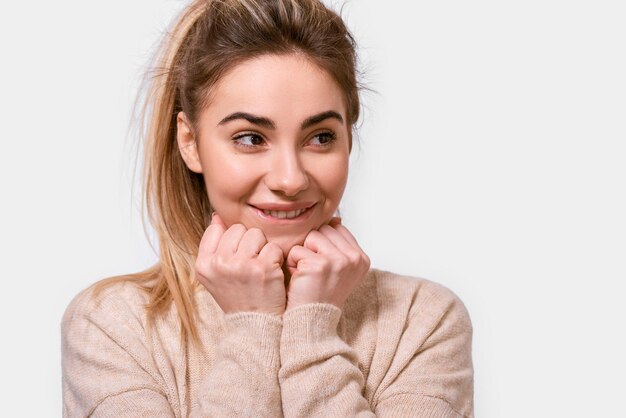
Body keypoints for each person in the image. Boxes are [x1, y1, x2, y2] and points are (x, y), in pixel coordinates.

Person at [61, 0, 474, 416]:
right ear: (190, 142)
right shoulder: (112, 326)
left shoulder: (422, 320)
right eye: (251, 138)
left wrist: (312, 327)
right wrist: (251, 327)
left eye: (320, 137)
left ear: (348, 136)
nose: (290, 179)